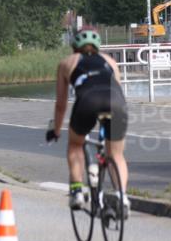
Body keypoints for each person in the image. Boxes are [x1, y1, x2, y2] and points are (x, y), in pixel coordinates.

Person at [46, 28, 129, 216]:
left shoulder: (67, 63)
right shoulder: (111, 62)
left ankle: (76, 191)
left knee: (75, 145)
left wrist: (56, 131)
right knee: (116, 155)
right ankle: (122, 197)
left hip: (87, 102)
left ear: (74, 45)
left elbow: (61, 105)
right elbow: (119, 92)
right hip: (116, 104)